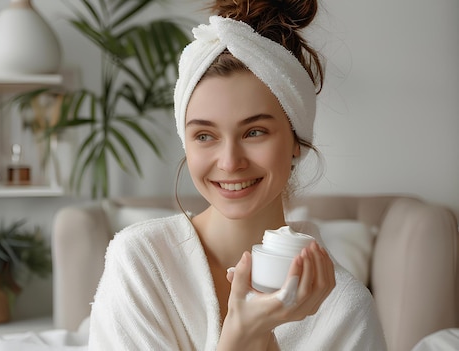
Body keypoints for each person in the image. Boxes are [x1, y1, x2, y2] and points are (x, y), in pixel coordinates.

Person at [89, 0, 387, 350]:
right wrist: (242, 338)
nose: (230, 162)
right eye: (205, 136)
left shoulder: (343, 309)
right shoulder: (141, 261)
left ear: (296, 141)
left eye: (254, 132)